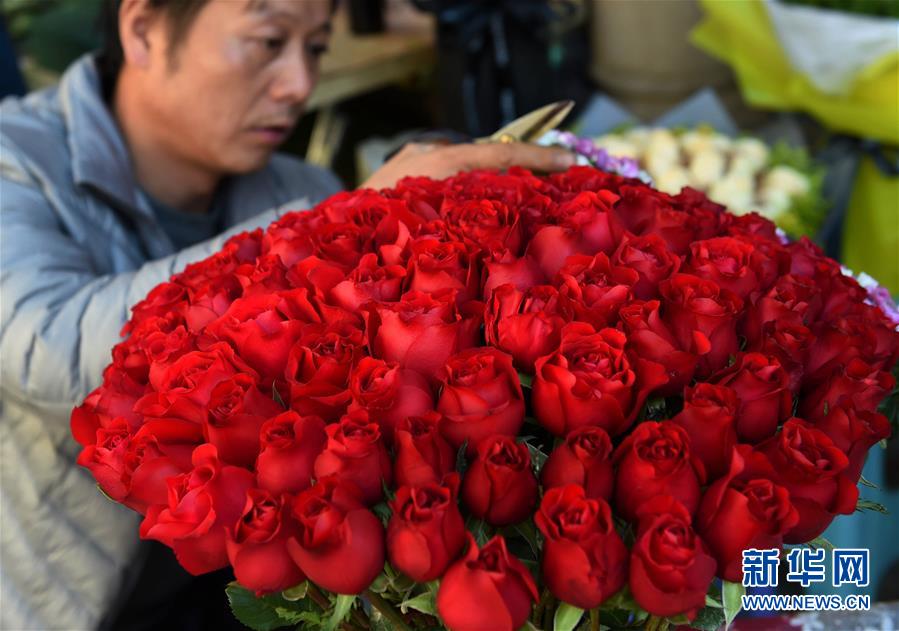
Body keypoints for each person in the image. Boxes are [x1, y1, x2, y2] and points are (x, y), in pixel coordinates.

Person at [0, 0, 575, 628]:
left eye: (317, 48)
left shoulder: (286, 187)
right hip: (77, 603)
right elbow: (41, 350)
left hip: (263, 585)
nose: (300, 85)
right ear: (143, 28)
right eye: (269, 40)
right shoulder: (15, 160)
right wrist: (338, 214)